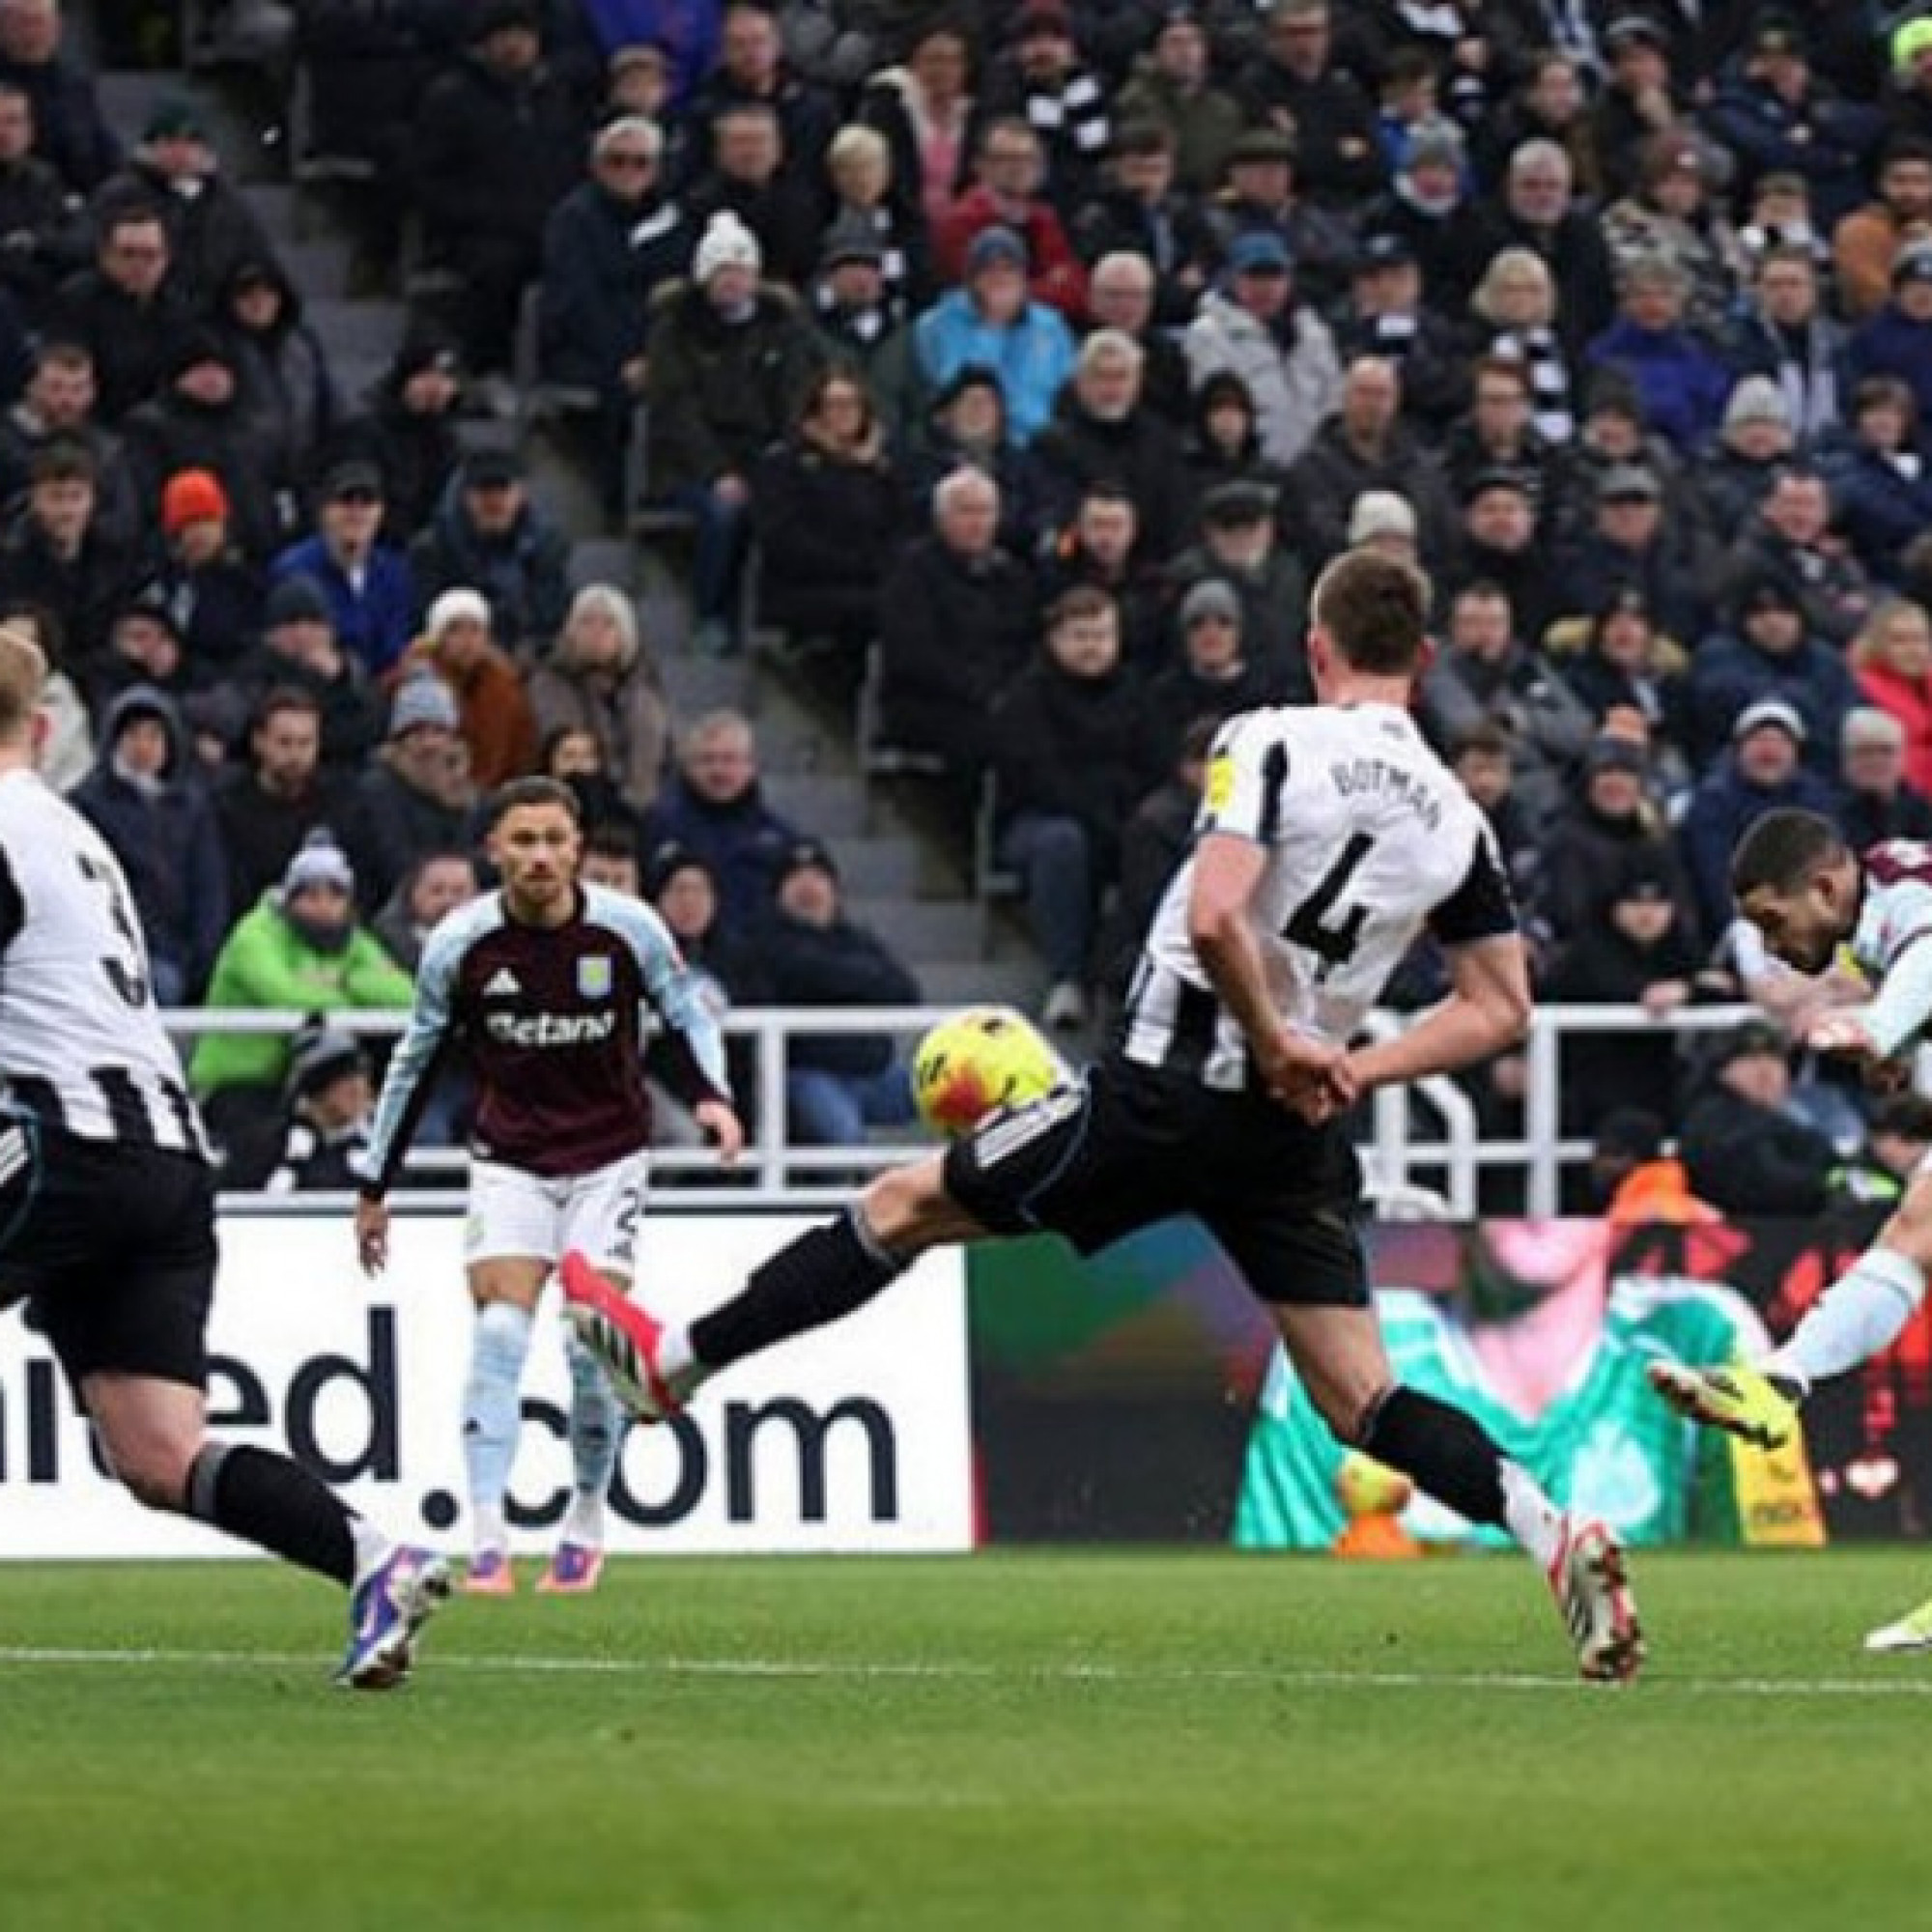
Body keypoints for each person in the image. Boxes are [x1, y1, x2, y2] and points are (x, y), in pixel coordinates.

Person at [562, 549, 1646, 1684]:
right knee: (1357, 1393)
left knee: (901, 1203)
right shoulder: (1455, 822)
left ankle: (670, 1366)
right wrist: (1343, 1068)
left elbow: (1220, 917)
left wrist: (1272, 1039)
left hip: (1163, 1092)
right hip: (1292, 1130)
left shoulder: (1266, 740)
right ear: (1424, 659)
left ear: (1315, 647)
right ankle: (1546, 1526)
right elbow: (1500, 1005)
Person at [0, 625, 445, 1687]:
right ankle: (372, 1558)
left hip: (73, 1142)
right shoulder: (68, 828)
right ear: (47, 725)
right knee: (157, 1451)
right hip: (164, 1159)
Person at [352, 776, 744, 1594]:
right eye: (521, 841)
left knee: (585, 1346)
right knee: (499, 1334)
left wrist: (715, 1098)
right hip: (509, 1163)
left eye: (554, 841)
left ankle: (585, 1519)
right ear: (493, 849)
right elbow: (415, 1061)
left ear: (577, 849)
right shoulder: (460, 944)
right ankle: (488, 1537)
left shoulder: (628, 929)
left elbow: (688, 1013)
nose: (539, 857)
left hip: (608, 1160)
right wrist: (375, 1184)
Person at [761, 837, 922, 1148]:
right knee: (844, 1135)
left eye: (818, 877)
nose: (809, 888)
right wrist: (860, 982)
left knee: (959, 1095)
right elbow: (798, 971)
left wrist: (835, 978)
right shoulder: (765, 941)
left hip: (875, 1072)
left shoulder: (859, 940)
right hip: (808, 1074)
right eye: (796, 878)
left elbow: (904, 990)